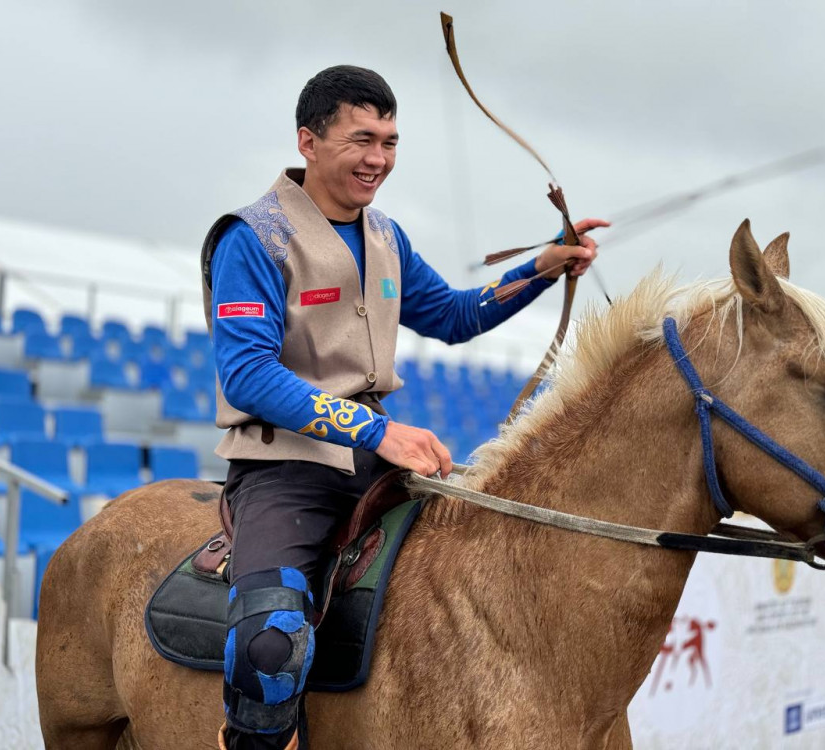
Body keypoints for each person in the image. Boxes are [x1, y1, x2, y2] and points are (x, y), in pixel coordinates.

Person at [201, 64, 607, 750]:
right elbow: (245, 374)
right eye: (362, 139)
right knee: (271, 644)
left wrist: (540, 268)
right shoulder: (254, 237)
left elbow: (454, 315)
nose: (379, 159)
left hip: (376, 458)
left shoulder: (386, 235)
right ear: (308, 140)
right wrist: (373, 427)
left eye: (390, 142)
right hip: (285, 470)